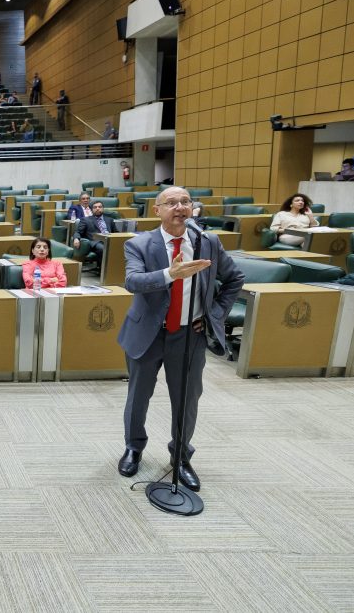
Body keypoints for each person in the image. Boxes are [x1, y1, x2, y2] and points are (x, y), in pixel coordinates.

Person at [116, 187, 245, 490]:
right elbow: (132, 282)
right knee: (138, 396)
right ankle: (134, 447)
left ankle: (181, 457)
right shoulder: (140, 244)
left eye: (185, 202)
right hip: (148, 332)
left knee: (187, 400)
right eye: (171, 203)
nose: (180, 207)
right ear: (157, 210)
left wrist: (213, 314)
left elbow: (234, 279)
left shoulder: (207, 242)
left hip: (189, 334)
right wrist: (169, 275)